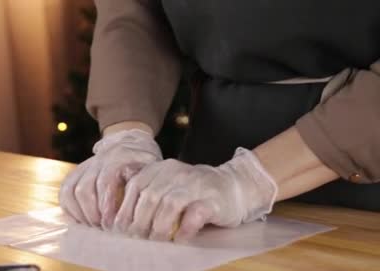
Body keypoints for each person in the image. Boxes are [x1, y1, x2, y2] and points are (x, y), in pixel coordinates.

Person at [59, 0, 380, 242]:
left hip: (363, 187)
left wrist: (248, 181)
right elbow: (135, 12)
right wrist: (125, 137)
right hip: (207, 178)